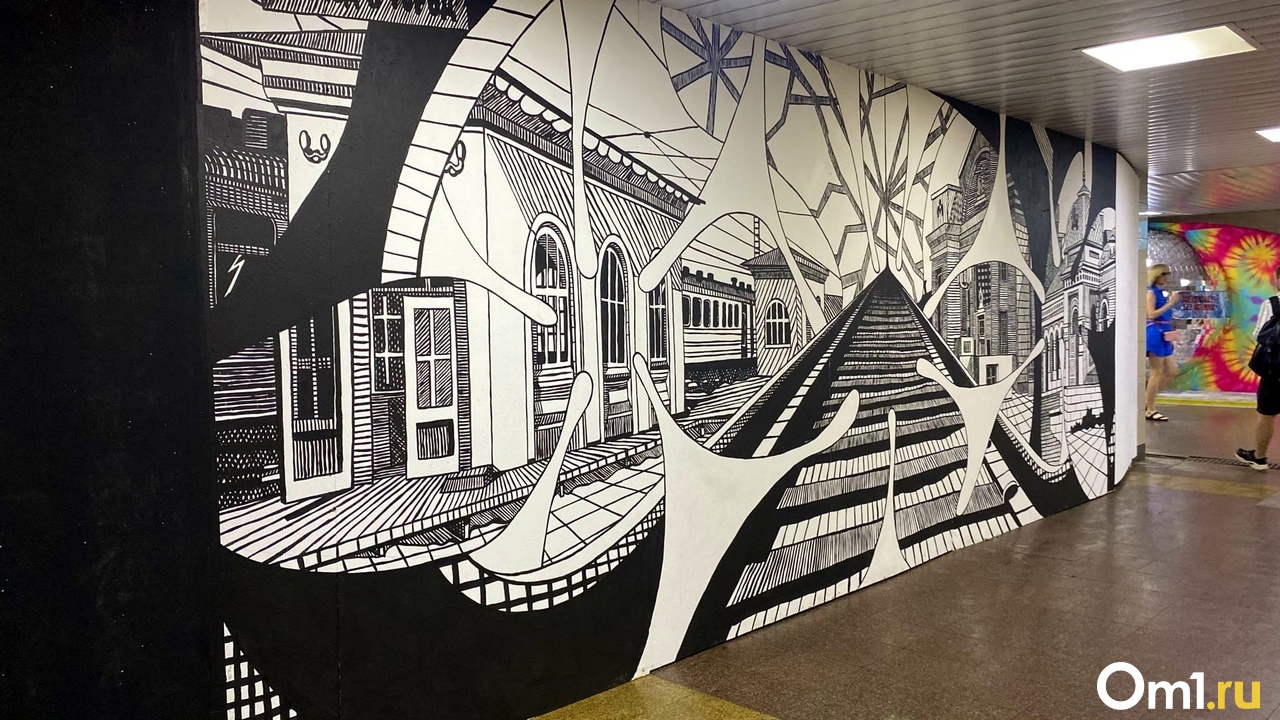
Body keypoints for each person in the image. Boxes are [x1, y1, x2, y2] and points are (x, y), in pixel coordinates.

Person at [1236, 266, 1280, 471]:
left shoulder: (1272, 304)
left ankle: (1259, 458)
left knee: (1267, 413)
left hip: (1274, 371)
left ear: (1277, 280)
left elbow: (1259, 335)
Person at [1144, 264, 1180, 421]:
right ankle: (1150, 409)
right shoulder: (1151, 292)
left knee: (1172, 371)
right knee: (1156, 372)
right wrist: (1170, 303)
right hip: (1155, 333)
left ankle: (1147, 401)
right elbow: (1151, 314)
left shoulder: (1160, 293)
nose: (1166, 277)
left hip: (1165, 333)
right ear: (1156, 275)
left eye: (1167, 274)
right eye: (1164, 274)